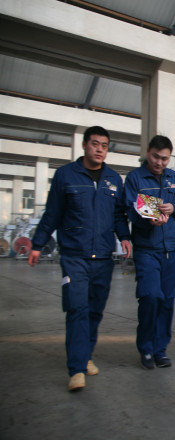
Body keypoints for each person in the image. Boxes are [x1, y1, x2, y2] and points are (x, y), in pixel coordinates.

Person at [28, 126, 132, 392]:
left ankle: (85, 355)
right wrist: (37, 244)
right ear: (85, 145)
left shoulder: (113, 179)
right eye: (95, 144)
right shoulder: (65, 175)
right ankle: (76, 369)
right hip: (74, 256)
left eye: (104, 145)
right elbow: (52, 213)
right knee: (77, 309)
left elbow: (118, 215)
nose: (99, 149)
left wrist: (124, 237)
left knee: (95, 310)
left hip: (103, 257)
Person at [124, 135, 175, 369]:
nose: (159, 163)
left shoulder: (174, 178)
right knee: (151, 296)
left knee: (167, 301)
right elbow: (130, 210)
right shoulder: (135, 178)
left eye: (164, 159)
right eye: (155, 157)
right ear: (147, 152)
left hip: (171, 249)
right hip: (146, 250)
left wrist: (174, 207)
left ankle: (160, 350)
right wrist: (148, 220)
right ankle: (146, 348)